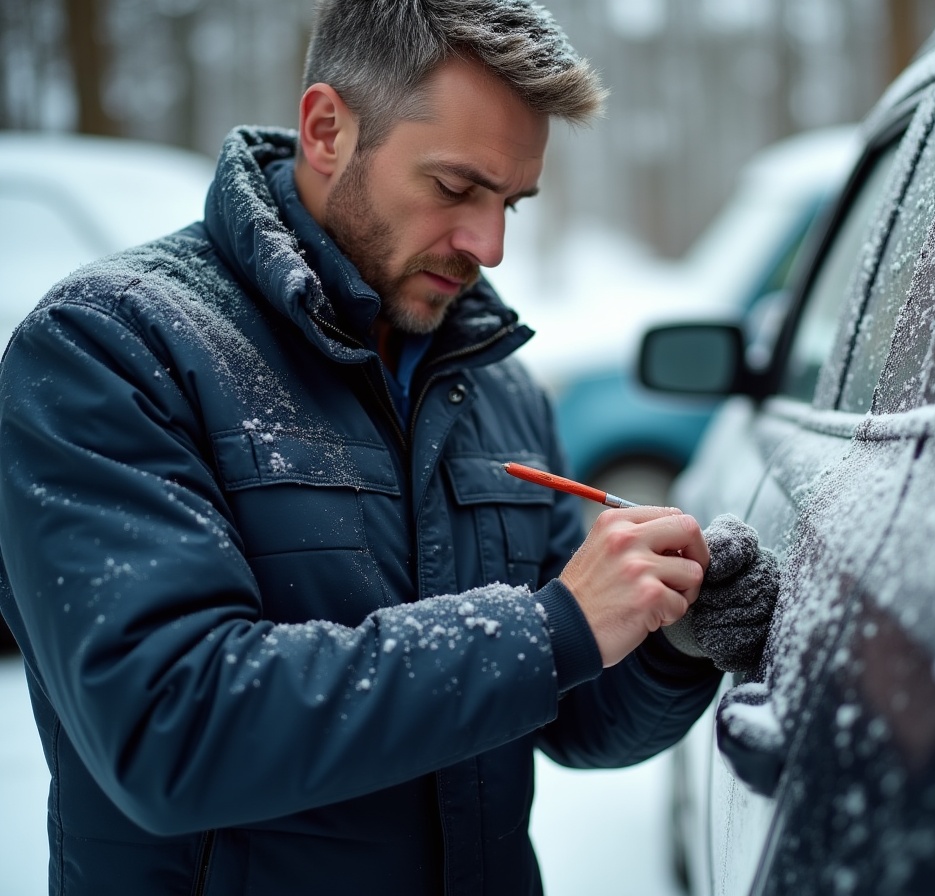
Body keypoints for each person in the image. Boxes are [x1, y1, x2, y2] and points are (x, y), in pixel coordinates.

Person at [0, 2, 725, 893]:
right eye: (457, 189)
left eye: (511, 202)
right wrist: (551, 627)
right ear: (327, 129)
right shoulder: (110, 349)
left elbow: (567, 715)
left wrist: (670, 637)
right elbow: (169, 729)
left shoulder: (491, 383)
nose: (488, 246)